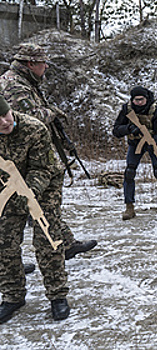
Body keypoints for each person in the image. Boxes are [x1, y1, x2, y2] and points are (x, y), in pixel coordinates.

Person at [0, 43, 97, 260]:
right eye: (43, 63)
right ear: (31, 63)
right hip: (18, 156)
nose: (46, 67)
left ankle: (65, 244)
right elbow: (26, 120)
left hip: (26, 153)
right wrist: (51, 112)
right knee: (26, 208)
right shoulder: (14, 85)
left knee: (43, 204)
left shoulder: (26, 82)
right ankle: (9, 263)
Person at [0, 96, 70, 323]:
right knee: (4, 242)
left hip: (45, 185)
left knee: (47, 239)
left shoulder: (34, 128)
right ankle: (12, 296)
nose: (3, 122)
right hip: (7, 188)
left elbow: (42, 168)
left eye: (5, 114)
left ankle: (57, 295)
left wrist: (29, 194)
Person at [112, 86, 157, 220]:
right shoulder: (126, 110)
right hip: (135, 144)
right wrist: (129, 128)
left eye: (142, 100)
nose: (139, 102)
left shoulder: (156, 111)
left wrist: (154, 141)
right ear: (132, 100)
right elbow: (116, 130)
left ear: (146, 99)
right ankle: (129, 207)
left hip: (151, 143)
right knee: (129, 173)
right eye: (136, 100)